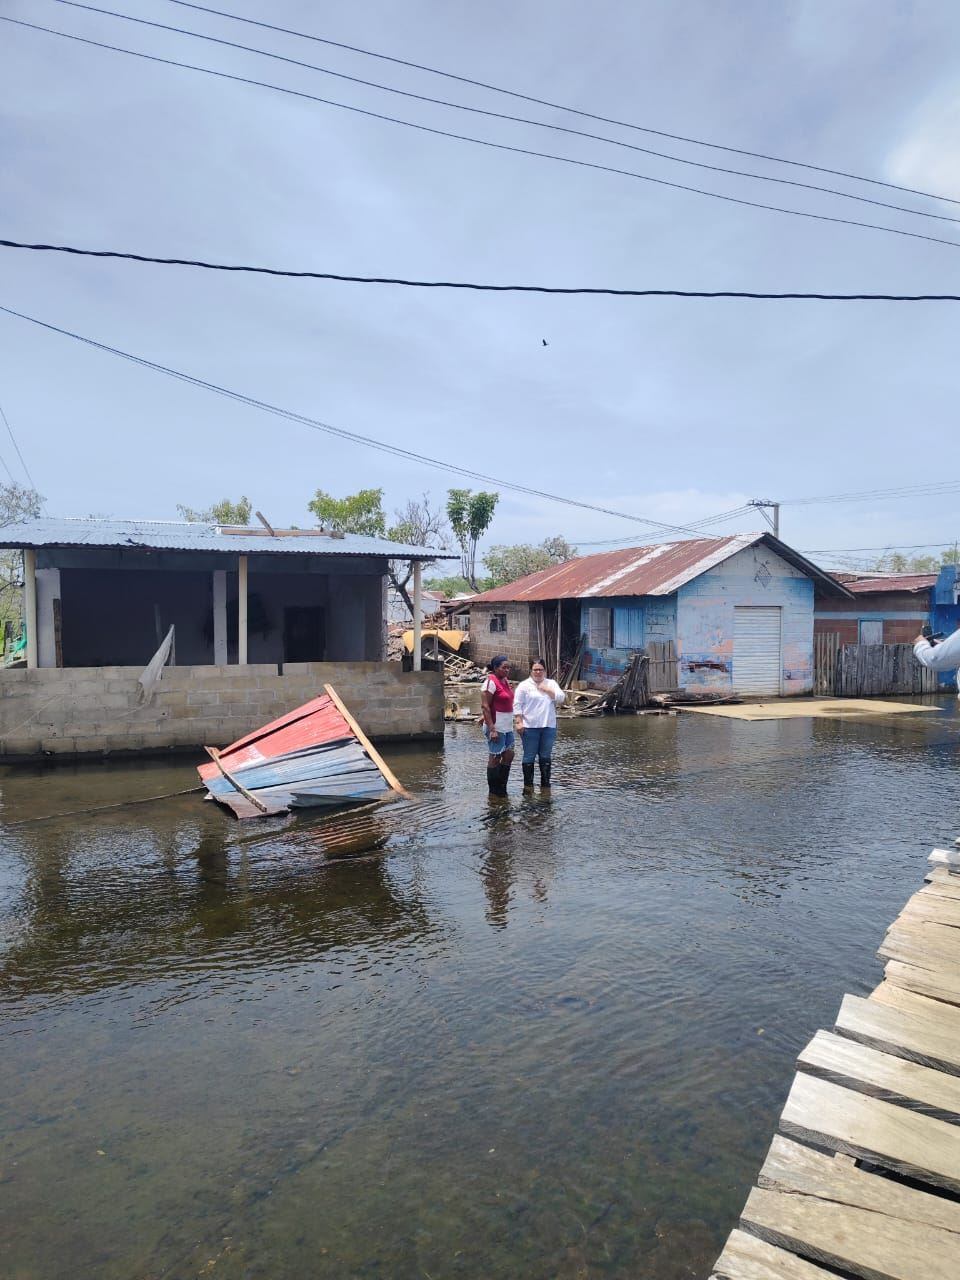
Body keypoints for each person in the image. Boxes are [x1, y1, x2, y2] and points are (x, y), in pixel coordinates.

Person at [513, 658, 566, 790]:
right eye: (535, 669)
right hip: (530, 727)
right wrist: (518, 722)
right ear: (531, 671)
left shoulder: (551, 683)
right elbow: (517, 705)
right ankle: (528, 786)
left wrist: (547, 690)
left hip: (548, 726)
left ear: (545, 670)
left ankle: (545, 786)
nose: (538, 672)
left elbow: (561, 698)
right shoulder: (524, 685)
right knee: (529, 756)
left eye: (540, 670)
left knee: (545, 756)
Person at [481, 655, 516, 796]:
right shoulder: (490, 683)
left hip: (507, 727)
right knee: (495, 758)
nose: (507, 670)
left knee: (509, 755)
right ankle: (493, 792)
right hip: (496, 727)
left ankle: (502, 788)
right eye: (504, 667)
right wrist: (492, 729)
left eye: (508, 668)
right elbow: (485, 706)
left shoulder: (505, 681)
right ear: (495, 668)